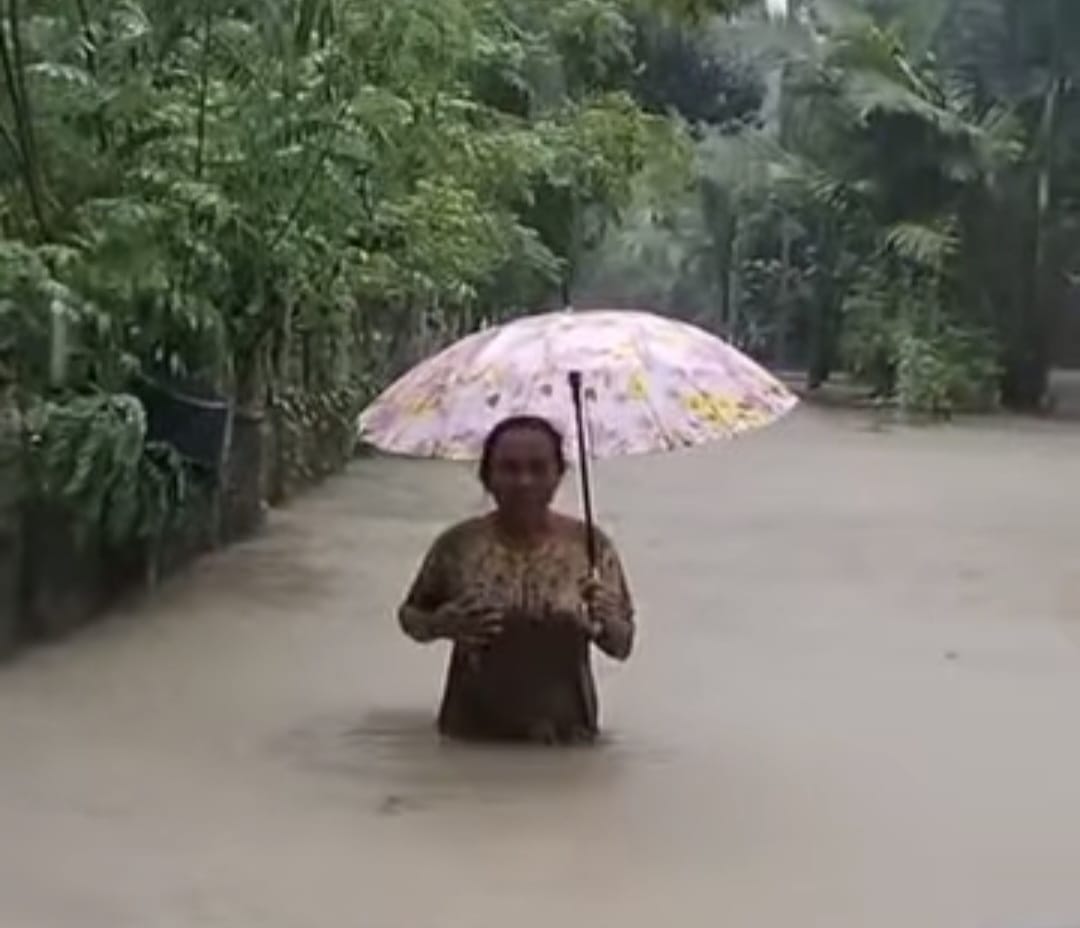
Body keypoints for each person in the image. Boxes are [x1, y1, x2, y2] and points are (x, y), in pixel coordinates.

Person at [398, 415, 635, 744]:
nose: (524, 481)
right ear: (487, 477)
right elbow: (410, 617)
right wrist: (442, 624)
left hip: (568, 742)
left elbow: (621, 646)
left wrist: (608, 619)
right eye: (509, 468)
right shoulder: (458, 546)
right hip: (469, 739)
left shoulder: (590, 547)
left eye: (538, 468)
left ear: (558, 475)